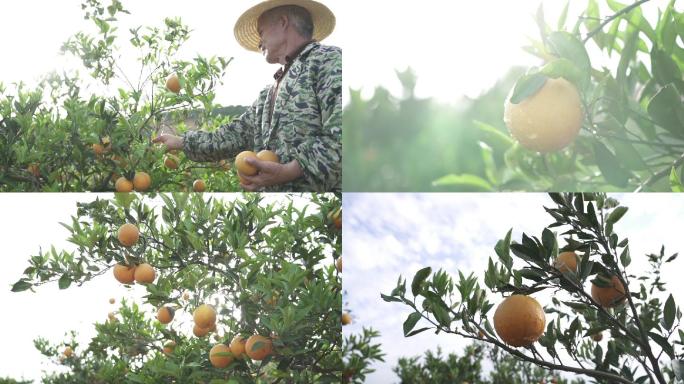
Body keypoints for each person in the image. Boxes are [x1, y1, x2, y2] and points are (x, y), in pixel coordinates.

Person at [153, 0, 341, 192]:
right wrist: (182, 142)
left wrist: (289, 171)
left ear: (283, 22)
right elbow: (234, 135)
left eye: (261, 32)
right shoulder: (267, 95)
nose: (259, 42)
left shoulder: (329, 61)